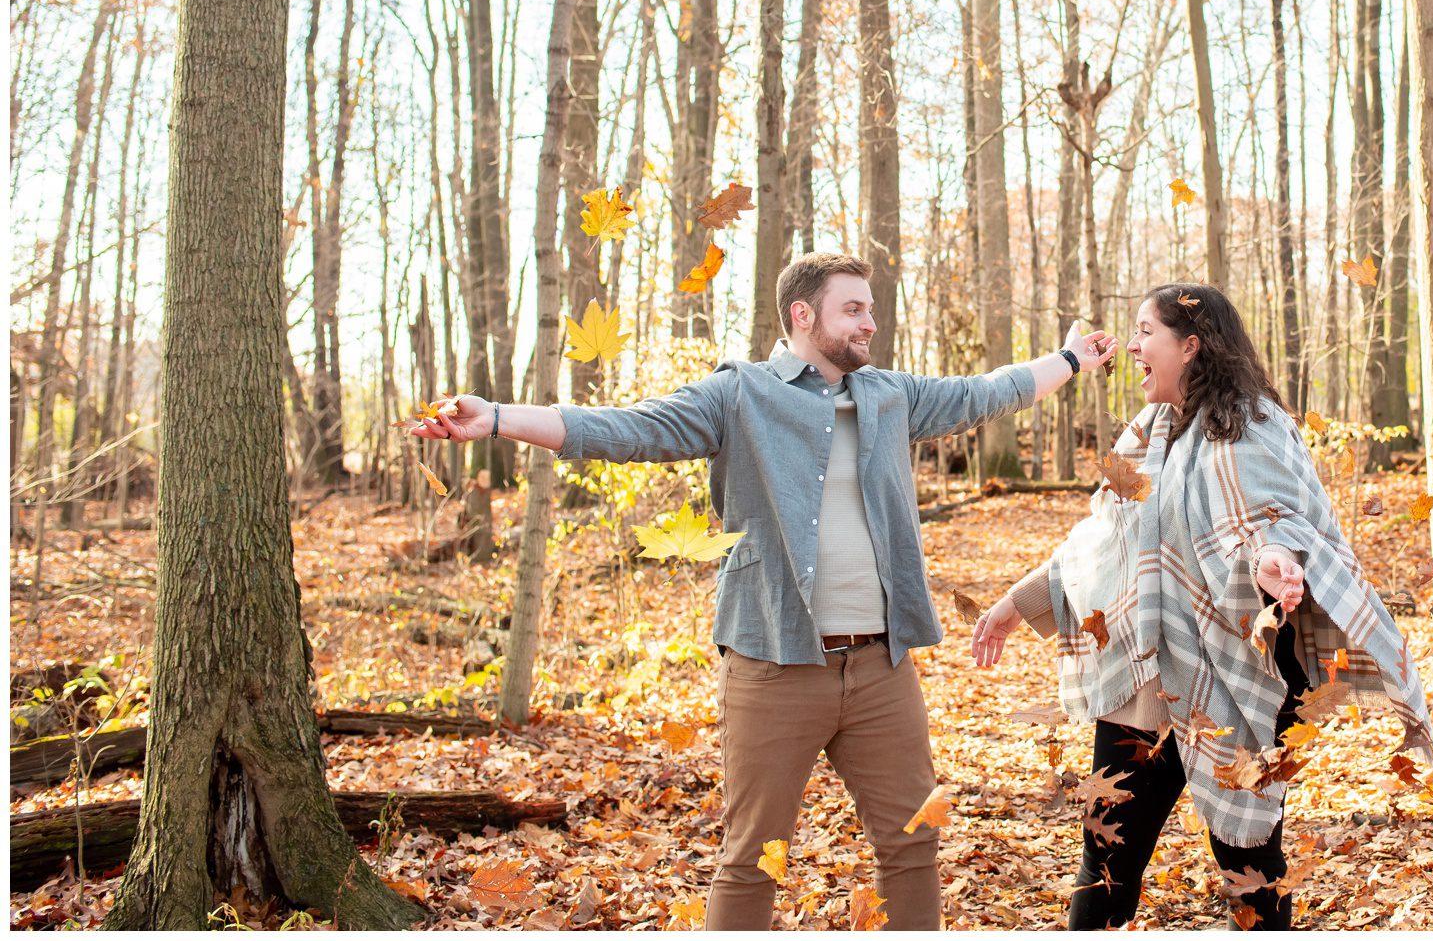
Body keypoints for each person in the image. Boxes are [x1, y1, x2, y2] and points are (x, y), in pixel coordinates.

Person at [411, 251, 1115, 930]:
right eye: (855, 310)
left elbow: (986, 392)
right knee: (750, 860)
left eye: (871, 310)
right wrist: (498, 417)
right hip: (774, 664)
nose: (871, 323)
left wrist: (1072, 360)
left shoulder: (890, 395)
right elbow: (625, 428)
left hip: (881, 669)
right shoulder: (739, 394)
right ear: (802, 314)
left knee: (912, 843)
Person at [971, 282, 1433, 930]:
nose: (1132, 345)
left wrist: (1274, 560)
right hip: (1143, 688)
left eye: (1146, 333)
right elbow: (1104, 542)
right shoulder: (1144, 433)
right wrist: (1017, 603)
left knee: (1251, 866)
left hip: (1231, 685)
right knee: (1107, 861)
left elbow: (1276, 517)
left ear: (1190, 346)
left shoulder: (1256, 426)